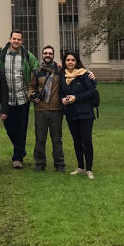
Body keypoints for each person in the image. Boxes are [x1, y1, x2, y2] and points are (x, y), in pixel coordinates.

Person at [0, 30, 38, 168]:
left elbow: (37, 68)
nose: (16, 41)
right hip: (6, 99)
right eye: (14, 39)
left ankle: (17, 157)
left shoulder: (27, 55)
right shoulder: (0, 54)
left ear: (22, 41)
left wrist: (56, 67)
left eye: (19, 39)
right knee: (9, 127)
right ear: (10, 39)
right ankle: (21, 149)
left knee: (22, 128)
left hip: (22, 97)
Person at [60, 50, 98, 180]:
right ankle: (80, 167)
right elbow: (61, 92)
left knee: (86, 141)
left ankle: (89, 169)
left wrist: (76, 98)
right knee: (76, 141)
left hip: (86, 113)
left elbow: (92, 92)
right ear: (64, 62)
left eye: (73, 60)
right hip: (72, 114)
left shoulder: (84, 74)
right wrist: (62, 100)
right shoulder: (62, 76)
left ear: (77, 61)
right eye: (68, 60)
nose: (70, 62)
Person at [28, 45, 66, 173]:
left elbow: (75, 70)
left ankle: (59, 163)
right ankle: (39, 162)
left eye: (50, 53)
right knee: (40, 138)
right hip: (40, 109)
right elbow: (31, 86)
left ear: (54, 55)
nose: (48, 55)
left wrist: (89, 73)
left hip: (56, 109)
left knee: (57, 138)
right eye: (45, 53)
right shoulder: (37, 70)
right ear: (42, 55)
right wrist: (32, 96)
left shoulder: (60, 69)